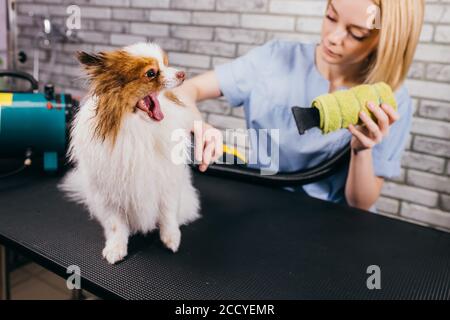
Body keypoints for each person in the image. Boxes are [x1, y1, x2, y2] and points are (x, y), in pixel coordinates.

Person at [169, 0, 425, 211]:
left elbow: (360, 203)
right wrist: (197, 124)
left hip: (332, 222)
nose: (334, 38)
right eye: (331, 16)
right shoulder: (274, 58)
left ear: (387, 40)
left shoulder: (391, 100)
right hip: (260, 201)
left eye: (357, 34)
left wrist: (361, 150)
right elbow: (187, 89)